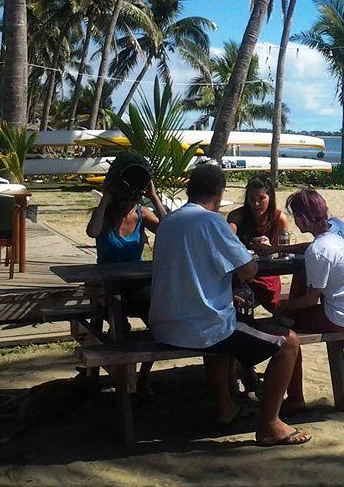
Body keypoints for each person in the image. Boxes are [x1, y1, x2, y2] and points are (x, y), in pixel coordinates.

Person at [149, 164, 310, 446]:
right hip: (201, 328)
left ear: (190, 190)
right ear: (219, 192)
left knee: (222, 333)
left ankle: (226, 407)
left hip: (164, 325)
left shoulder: (170, 222)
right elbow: (248, 270)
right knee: (289, 343)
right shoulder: (211, 222)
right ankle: (270, 424)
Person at [255, 188, 344, 413]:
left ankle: (295, 396)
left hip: (343, 317)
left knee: (287, 331)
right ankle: (286, 321)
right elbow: (310, 248)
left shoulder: (320, 251)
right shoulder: (338, 226)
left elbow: (310, 300)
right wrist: (278, 248)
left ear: (301, 219)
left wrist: (284, 306)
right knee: (301, 282)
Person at [85, 155, 167, 399]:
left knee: (159, 321)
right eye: (122, 198)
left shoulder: (141, 213)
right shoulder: (106, 214)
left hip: (135, 283)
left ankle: (142, 378)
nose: (126, 204)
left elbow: (171, 227)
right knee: (120, 327)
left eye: (130, 198)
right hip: (107, 284)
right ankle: (124, 383)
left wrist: (153, 197)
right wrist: (106, 198)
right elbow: (92, 232)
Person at [227, 176, 290, 313]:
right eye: (251, 199)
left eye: (261, 198)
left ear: (270, 198)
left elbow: (283, 253)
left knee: (270, 296)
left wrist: (271, 249)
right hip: (243, 272)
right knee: (238, 296)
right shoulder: (237, 217)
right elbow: (227, 246)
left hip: (268, 273)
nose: (256, 204)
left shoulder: (280, 219)